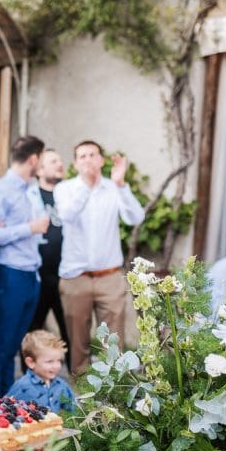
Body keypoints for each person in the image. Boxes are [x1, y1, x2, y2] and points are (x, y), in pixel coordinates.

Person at [54, 141, 145, 375]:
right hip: (76, 278)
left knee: (113, 342)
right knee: (78, 342)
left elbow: (135, 218)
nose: (87, 160)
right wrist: (87, 185)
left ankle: (114, 395)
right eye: (82, 156)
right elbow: (67, 214)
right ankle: (81, 394)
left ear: (101, 160)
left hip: (109, 276)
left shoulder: (114, 187)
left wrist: (121, 185)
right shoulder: (65, 188)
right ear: (75, 163)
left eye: (92, 155)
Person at [0, 135, 49, 396]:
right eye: (41, 158)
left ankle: (8, 402)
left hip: (32, 275)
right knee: (1, 347)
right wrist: (27, 228)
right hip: (10, 276)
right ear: (33, 159)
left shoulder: (30, 188)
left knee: (12, 347)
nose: (41, 163)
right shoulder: (0, 190)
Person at [27, 149, 70, 367]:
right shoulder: (30, 195)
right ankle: (30, 385)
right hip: (39, 273)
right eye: (54, 161)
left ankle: (76, 385)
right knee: (32, 330)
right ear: (40, 169)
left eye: (60, 160)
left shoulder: (69, 193)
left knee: (69, 331)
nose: (60, 164)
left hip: (65, 274)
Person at [5, 330, 75, 414]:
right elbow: (5, 409)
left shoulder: (62, 386)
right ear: (31, 362)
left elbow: (74, 410)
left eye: (59, 360)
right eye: (50, 361)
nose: (57, 366)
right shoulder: (22, 386)